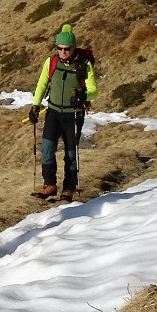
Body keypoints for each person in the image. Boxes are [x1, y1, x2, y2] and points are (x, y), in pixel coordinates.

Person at [29, 23, 97, 199]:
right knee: (47, 148)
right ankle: (49, 185)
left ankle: (69, 187)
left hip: (74, 114)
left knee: (70, 153)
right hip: (53, 112)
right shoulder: (51, 62)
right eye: (59, 48)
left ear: (74, 48)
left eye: (67, 48)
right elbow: (42, 83)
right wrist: (35, 106)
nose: (63, 52)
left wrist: (82, 95)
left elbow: (94, 90)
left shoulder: (84, 65)